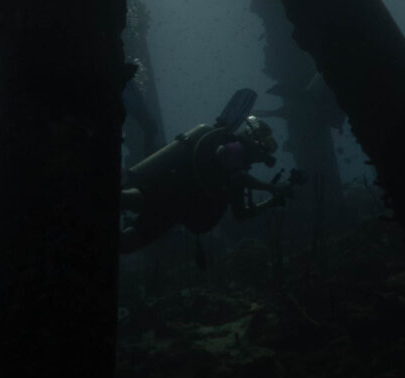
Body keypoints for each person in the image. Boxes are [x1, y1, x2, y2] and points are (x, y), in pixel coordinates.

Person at [119, 86, 299, 259]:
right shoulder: (234, 152)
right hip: (171, 195)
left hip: (174, 209)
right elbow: (237, 179)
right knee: (127, 215)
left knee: (126, 233)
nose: (261, 158)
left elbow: (241, 213)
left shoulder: (234, 164)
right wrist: (270, 188)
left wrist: (271, 202)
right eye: (263, 152)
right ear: (255, 143)